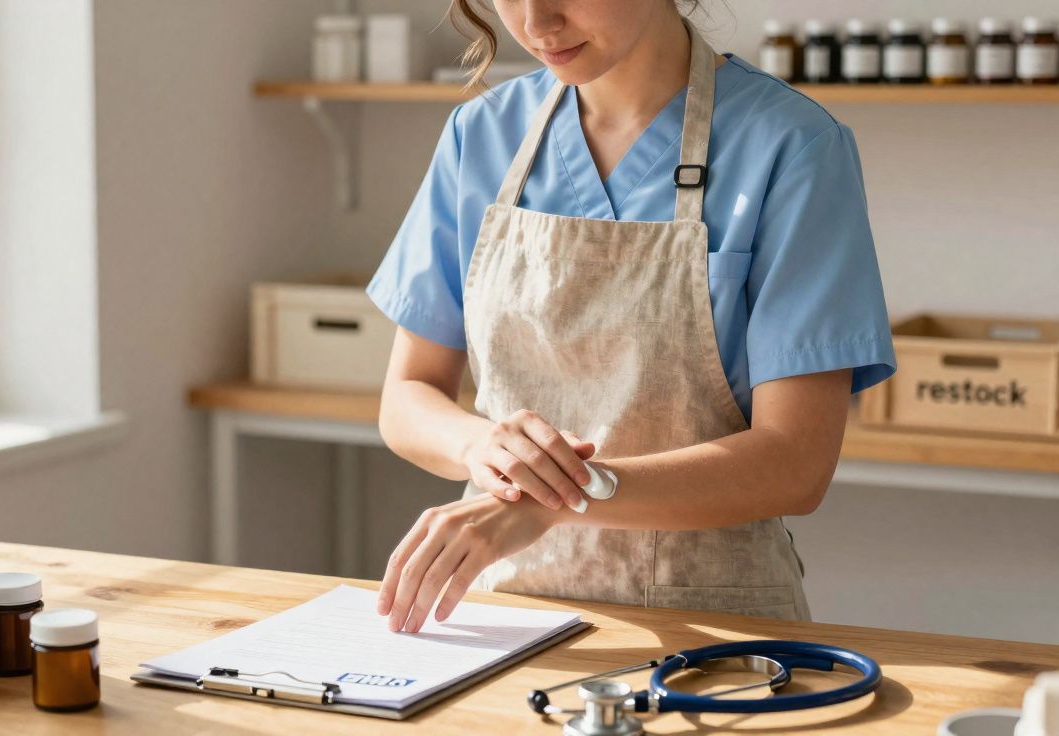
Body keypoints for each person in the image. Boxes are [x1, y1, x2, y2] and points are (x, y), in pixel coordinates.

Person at [366, 0, 896, 634]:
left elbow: (796, 463)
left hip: (718, 627)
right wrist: (480, 445)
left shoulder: (791, 145)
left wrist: (559, 498)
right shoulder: (480, 135)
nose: (537, 23)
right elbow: (408, 396)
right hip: (499, 613)